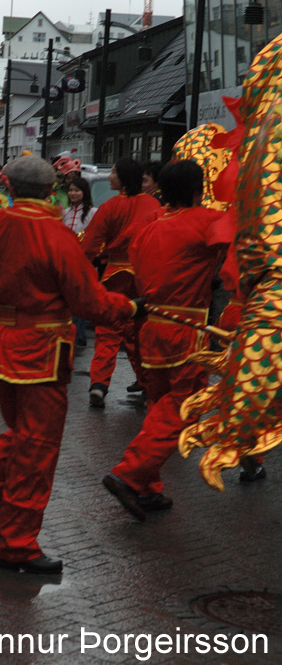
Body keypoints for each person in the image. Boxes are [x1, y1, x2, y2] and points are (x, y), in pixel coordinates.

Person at [0, 155, 139, 574]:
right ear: (51, 189)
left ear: (9, 187)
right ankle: (18, 543)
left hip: (5, 340)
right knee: (37, 448)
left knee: (19, 436)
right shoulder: (57, 234)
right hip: (44, 348)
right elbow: (88, 301)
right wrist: (128, 306)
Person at [102, 160, 229, 520]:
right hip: (185, 331)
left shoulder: (149, 228)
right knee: (181, 409)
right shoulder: (203, 221)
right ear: (196, 191)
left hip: (152, 329)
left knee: (159, 408)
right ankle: (129, 475)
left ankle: (147, 488)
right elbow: (241, 237)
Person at [83, 157, 160, 407]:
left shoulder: (110, 207)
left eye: (114, 171)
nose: (111, 176)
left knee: (107, 331)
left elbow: (90, 245)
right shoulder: (152, 205)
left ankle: (99, 384)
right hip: (143, 275)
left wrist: (83, 271)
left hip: (114, 274)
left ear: (123, 177)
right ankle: (148, 383)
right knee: (141, 333)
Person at [62, 175, 98, 347]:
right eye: (70, 190)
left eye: (76, 190)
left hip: (84, 263)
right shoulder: (65, 213)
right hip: (65, 264)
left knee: (80, 301)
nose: (73, 193)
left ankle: (79, 337)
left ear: (84, 192)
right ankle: (71, 336)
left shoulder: (93, 213)